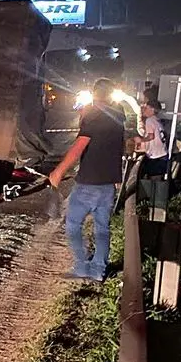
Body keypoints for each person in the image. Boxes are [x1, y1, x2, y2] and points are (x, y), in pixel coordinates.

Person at [48, 78, 125, 281]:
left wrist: (58, 172)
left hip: (89, 182)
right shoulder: (118, 116)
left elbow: (79, 146)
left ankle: (82, 267)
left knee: (73, 223)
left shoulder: (95, 116)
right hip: (109, 183)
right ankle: (98, 270)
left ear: (95, 94)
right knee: (102, 227)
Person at [139, 99, 169, 177]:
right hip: (162, 154)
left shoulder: (149, 120)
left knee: (150, 180)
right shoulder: (157, 120)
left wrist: (141, 140)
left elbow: (151, 136)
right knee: (159, 179)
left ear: (152, 109)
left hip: (155, 156)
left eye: (146, 108)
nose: (144, 110)